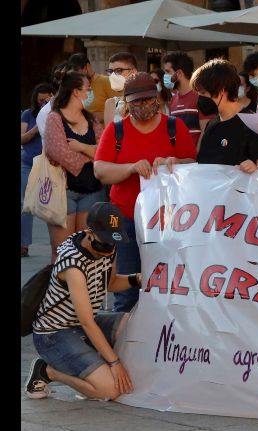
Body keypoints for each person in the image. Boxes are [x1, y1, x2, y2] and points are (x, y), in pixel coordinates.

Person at [94, 72, 197, 312]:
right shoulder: (116, 130)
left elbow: (193, 164)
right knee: (128, 290)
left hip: (169, 221)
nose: (143, 106)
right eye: (137, 101)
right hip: (126, 220)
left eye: (148, 99)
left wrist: (175, 162)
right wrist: (130, 168)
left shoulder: (174, 127)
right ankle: (123, 345)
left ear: (157, 98)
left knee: (168, 286)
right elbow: (100, 170)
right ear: (127, 103)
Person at [25, 202, 142, 401]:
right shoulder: (73, 263)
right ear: (89, 232)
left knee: (133, 323)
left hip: (79, 325)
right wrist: (114, 363)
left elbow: (111, 283)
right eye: (103, 241)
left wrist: (137, 278)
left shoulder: (108, 246)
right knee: (110, 390)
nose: (107, 248)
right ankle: (48, 371)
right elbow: (87, 321)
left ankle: (94, 368)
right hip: (54, 334)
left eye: (112, 242)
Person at [44, 71, 106, 263]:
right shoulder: (55, 118)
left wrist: (80, 147)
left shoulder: (91, 119)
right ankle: (59, 291)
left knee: (86, 251)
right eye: (88, 89)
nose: (90, 93)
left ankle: (81, 291)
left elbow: (104, 151)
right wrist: (90, 153)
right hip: (64, 191)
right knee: (62, 250)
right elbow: (61, 154)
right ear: (75, 92)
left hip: (93, 190)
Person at [192, 59, 258, 173]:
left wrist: (256, 169)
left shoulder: (253, 125)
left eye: (203, 93)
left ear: (221, 90)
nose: (199, 98)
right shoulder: (211, 126)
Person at [21, 82, 55, 257]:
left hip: (48, 164)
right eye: (40, 100)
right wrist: (36, 129)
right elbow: (22, 138)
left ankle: (57, 245)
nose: (43, 103)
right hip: (28, 163)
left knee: (52, 204)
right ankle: (23, 244)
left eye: (46, 99)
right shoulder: (28, 114)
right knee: (25, 204)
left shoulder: (56, 113)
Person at [162, 51, 213, 147]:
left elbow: (205, 132)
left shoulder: (201, 97)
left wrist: (196, 156)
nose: (164, 76)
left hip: (195, 160)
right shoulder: (173, 100)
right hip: (179, 160)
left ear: (180, 73)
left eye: (168, 72)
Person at [68, 52, 119, 124]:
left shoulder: (106, 81)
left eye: (79, 73)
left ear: (87, 67)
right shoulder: (77, 86)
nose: (77, 78)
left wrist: (92, 116)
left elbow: (120, 109)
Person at [103, 52, 139, 125]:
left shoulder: (146, 102)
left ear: (133, 72)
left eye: (118, 71)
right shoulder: (111, 104)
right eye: (110, 71)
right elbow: (109, 134)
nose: (113, 75)